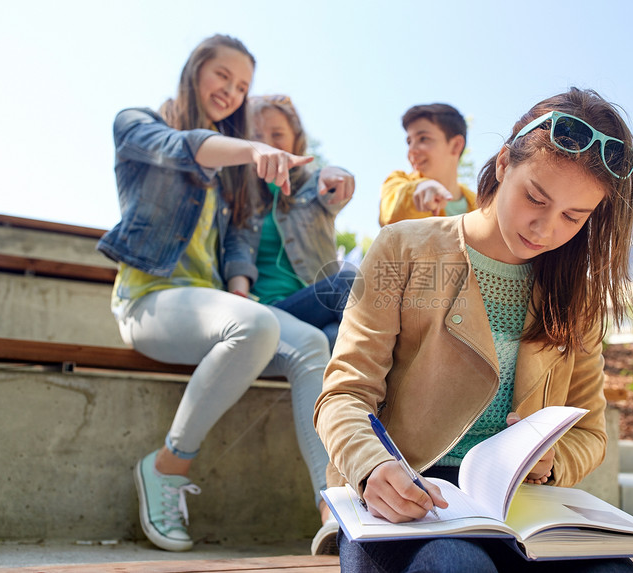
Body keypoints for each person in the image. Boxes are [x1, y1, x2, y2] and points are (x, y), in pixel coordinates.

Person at [315, 87, 633, 572]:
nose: (545, 228)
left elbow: (591, 433)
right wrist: (372, 466)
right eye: (535, 197)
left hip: (522, 507)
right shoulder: (405, 248)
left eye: (574, 217)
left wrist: (553, 462)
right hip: (408, 495)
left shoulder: (579, 295)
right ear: (505, 162)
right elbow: (343, 395)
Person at [96, 34, 328, 553]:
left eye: (242, 86)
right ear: (196, 69)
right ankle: (166, 466)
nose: (232, 91)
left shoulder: (234, 173)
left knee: (313, 342)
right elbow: (183, 148)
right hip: (150, 300)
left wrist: (241, 287)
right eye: (223, 76)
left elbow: (240, 238)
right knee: (256, 324)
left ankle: (333, 509)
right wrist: (253, 149)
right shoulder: (136, 123)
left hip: (213, 305)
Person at [246, 94, 357, 350]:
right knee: (348, 281)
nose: (268, 145)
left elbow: (335, 185)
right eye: (257, 136)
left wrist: (337, 175)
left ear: (296, 140)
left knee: (332, 337)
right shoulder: (238, 197)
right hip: (266, 312)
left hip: (316, 313)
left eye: (277, 135)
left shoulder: (312, 185)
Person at [378, 103, 477, 227]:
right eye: (409, 142)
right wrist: (419, 189)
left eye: (423, 139)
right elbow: (389, 214)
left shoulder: (481, 206)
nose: (411, 151)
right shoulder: (398, 182)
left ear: (456, 145)